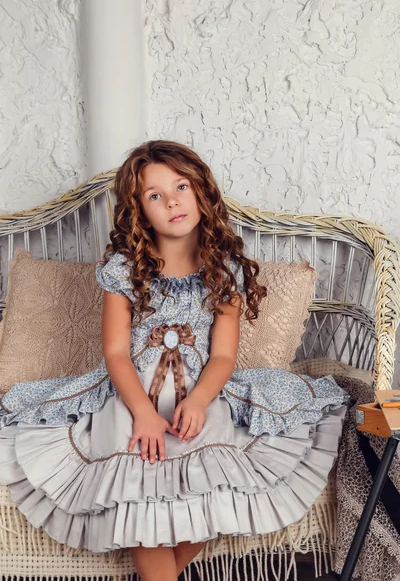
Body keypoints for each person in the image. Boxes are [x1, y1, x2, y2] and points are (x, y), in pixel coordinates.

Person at [0, 140, 348, 581]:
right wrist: (143, 414)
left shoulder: (223, 270)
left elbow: (223, 355)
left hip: (202, 393)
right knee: (137, 479)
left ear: (202, 190)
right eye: (154, 195)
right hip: (130, 396)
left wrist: (201, 400)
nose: (172, 202)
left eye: (181, 186)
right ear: (139, 211)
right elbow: (115, 354)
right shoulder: (124, 270)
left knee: (213, 487)